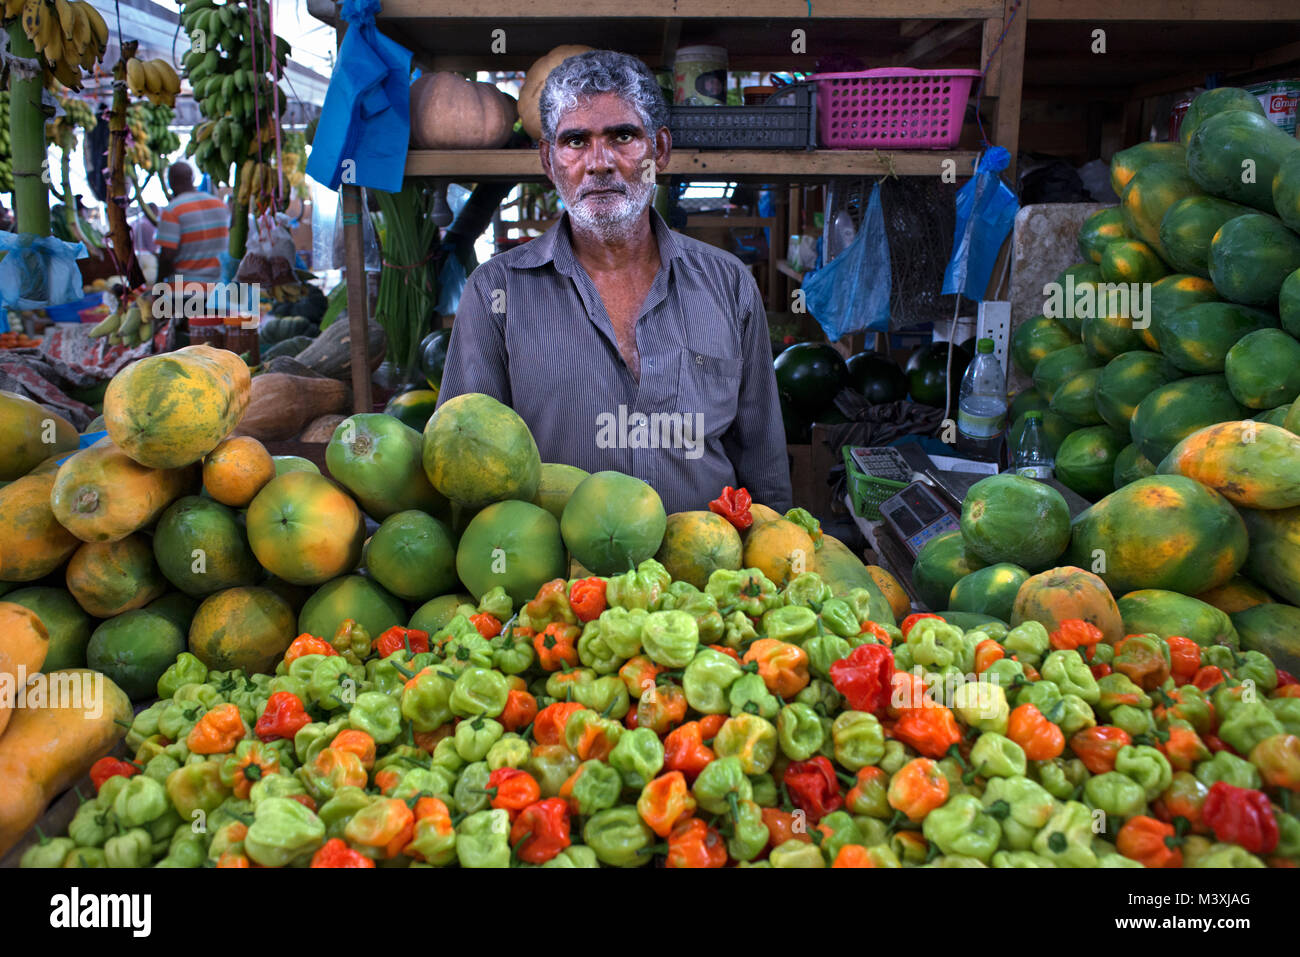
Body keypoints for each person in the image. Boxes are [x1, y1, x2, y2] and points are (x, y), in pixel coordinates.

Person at [436, 50, 791, 514]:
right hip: (557, 583)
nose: (599, 162)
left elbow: (764, 470)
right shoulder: (495, 293)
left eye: (623, 136)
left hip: (707, 578)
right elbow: (463, 463)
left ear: (659, 150)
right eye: (576, 141)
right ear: (548, 160)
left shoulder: (728, 285)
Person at [155, 162, 227, 282]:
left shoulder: (173, 210)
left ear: (171, 183)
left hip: (184, 289)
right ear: (192, 178)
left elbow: (167, 256)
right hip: (217, 286)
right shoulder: (219, 204)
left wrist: (158, 285)